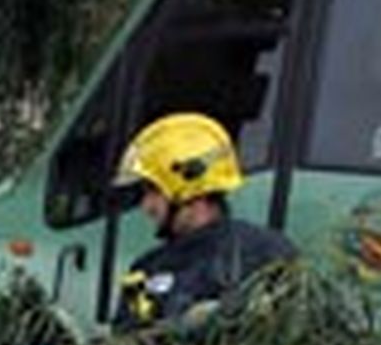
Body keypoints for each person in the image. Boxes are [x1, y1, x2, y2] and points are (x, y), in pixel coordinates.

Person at [111, 112, 297, 333]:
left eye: (153, 191)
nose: (146, 206)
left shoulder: (269, 256)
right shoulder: (146, 269)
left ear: (189, 189)